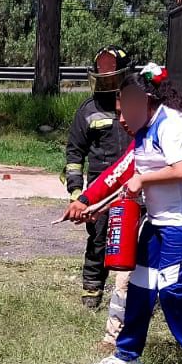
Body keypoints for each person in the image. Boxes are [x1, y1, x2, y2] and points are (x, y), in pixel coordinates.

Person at [65, 65, 182, 364]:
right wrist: (90, 204)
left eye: (126, 111)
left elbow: (180, 171)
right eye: (119, 111)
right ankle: (126, 356)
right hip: (160, 221)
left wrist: (142, 179)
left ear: (146, 101)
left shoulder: (174, 124)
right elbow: (124, 175)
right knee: (140, 284)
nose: (121, 119)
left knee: (172, 289)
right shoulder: (143, 133)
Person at [64, 46, 132, 309]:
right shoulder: (88, 110)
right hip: (99, 186)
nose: (108, 82)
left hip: (133, 184)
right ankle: (92, 291)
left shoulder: (137, 104)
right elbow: (74, 154)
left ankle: (132, 293)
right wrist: (76, 190)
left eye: (113, 76)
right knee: (99, 238)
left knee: (137, 237)